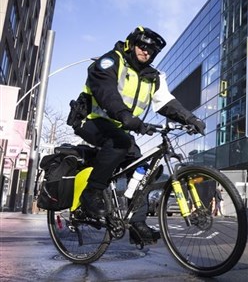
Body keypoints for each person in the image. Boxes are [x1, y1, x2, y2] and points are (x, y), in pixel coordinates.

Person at [71, 26, 206, 245]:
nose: (146, 52)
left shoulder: (153, 77)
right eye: (143, 47)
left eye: (151, 51)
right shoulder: (111, 61)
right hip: (91, 120)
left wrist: (190, 118)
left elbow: (166, 102)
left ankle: (137, 222)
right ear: (132, 44)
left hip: (120, 127)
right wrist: (125, 116)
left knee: (143, 167)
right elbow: (106, 91)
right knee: (121, 143)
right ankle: (91, 194)